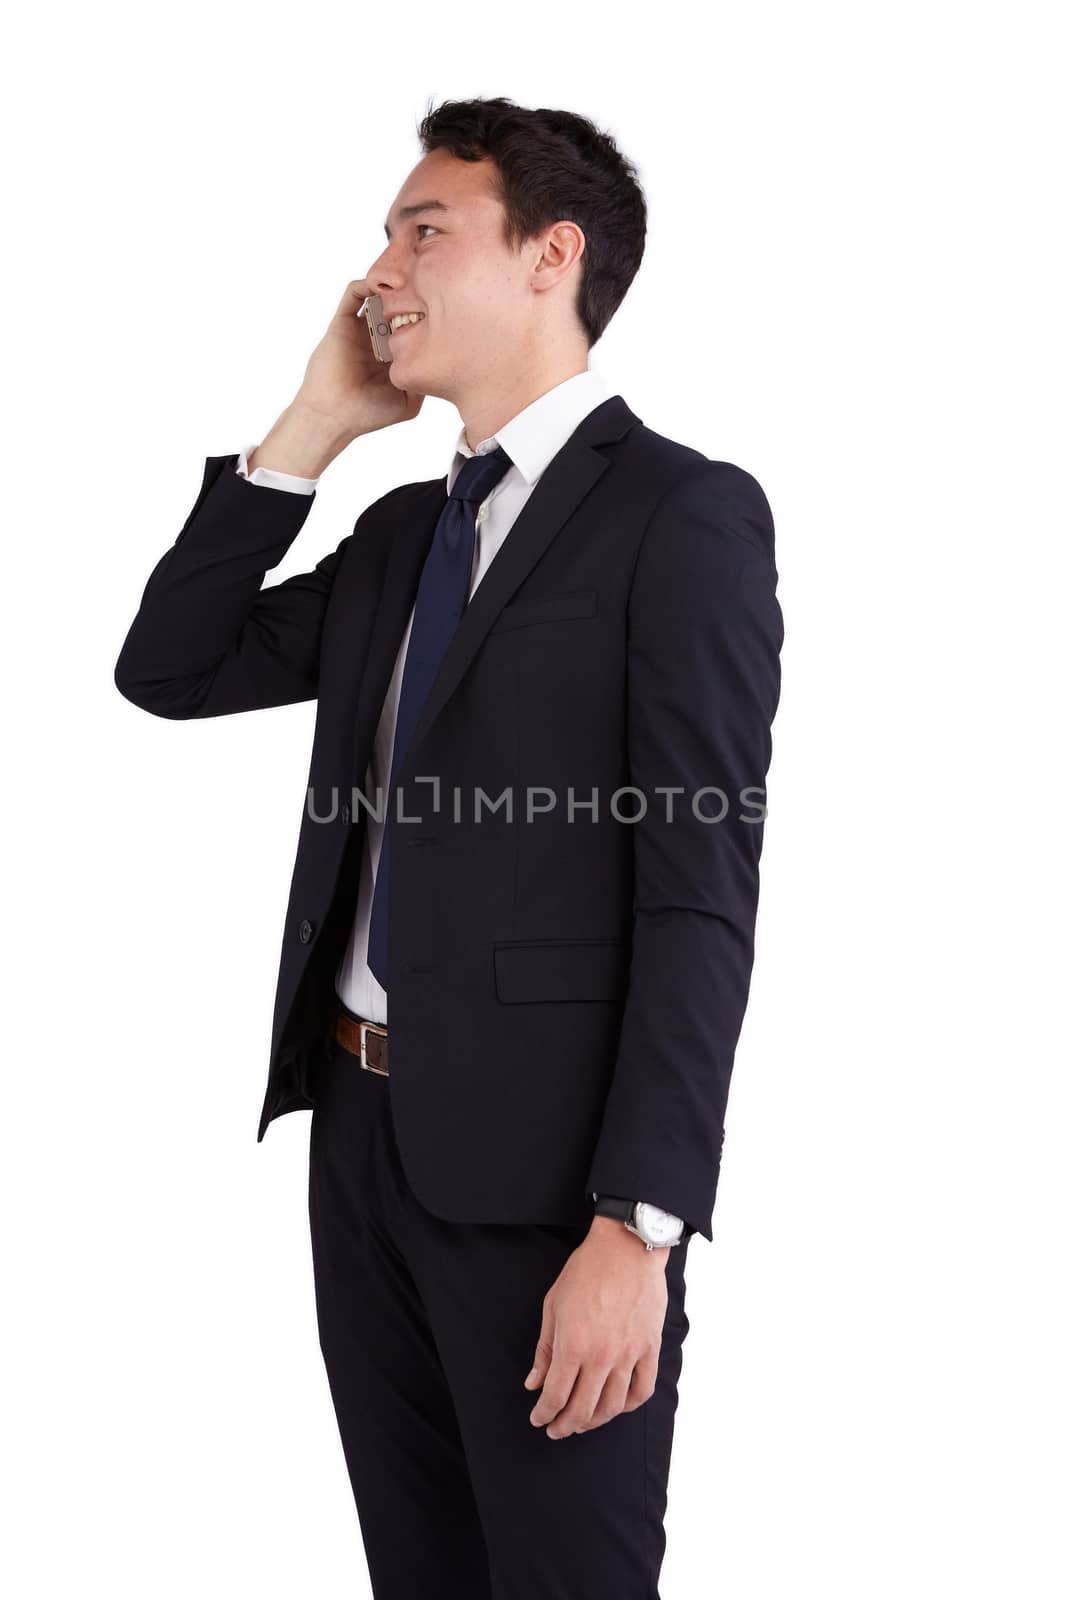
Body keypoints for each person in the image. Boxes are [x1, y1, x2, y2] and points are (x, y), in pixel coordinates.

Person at [114, 95, 784, 1600]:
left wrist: (642, 1225)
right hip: (360, 1151)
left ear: (553, 257)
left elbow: (699, 899)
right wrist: (310, 431)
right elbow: (170, 666)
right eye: (384, 234)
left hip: (555, 1188)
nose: (381, 272)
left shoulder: (682, 518)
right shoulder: (409, 530)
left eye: (425, 229)